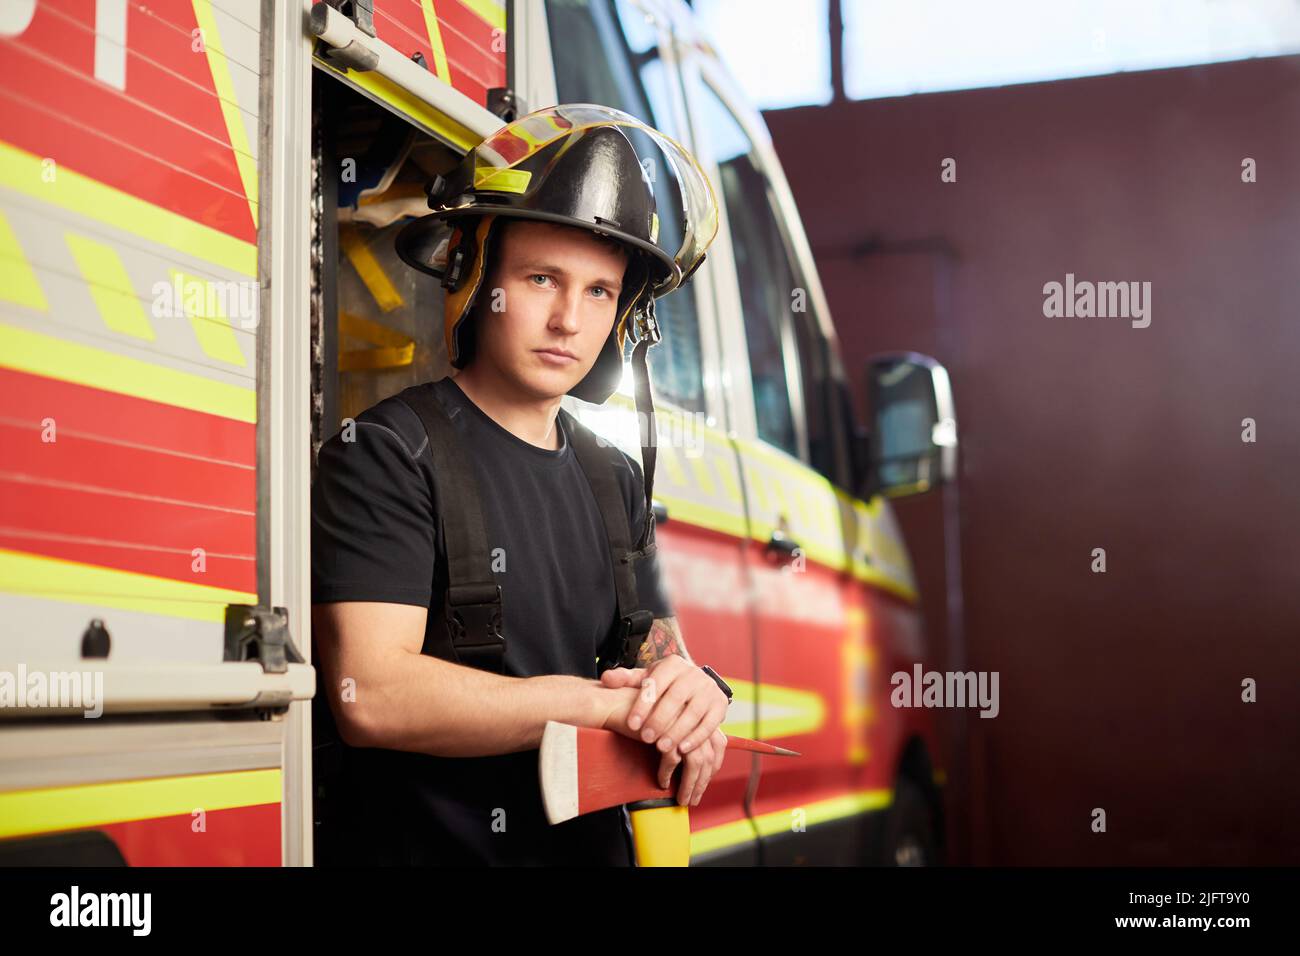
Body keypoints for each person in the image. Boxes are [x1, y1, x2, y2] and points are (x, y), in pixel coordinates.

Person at [310, 106, 731, 865]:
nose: (570, 319)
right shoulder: (383, 455)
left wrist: (693, 697)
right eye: (542, 279)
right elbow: (367, 695)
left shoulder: (616, 479)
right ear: (475, 277)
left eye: (600, 292)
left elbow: (651, 652)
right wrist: (591, 706)